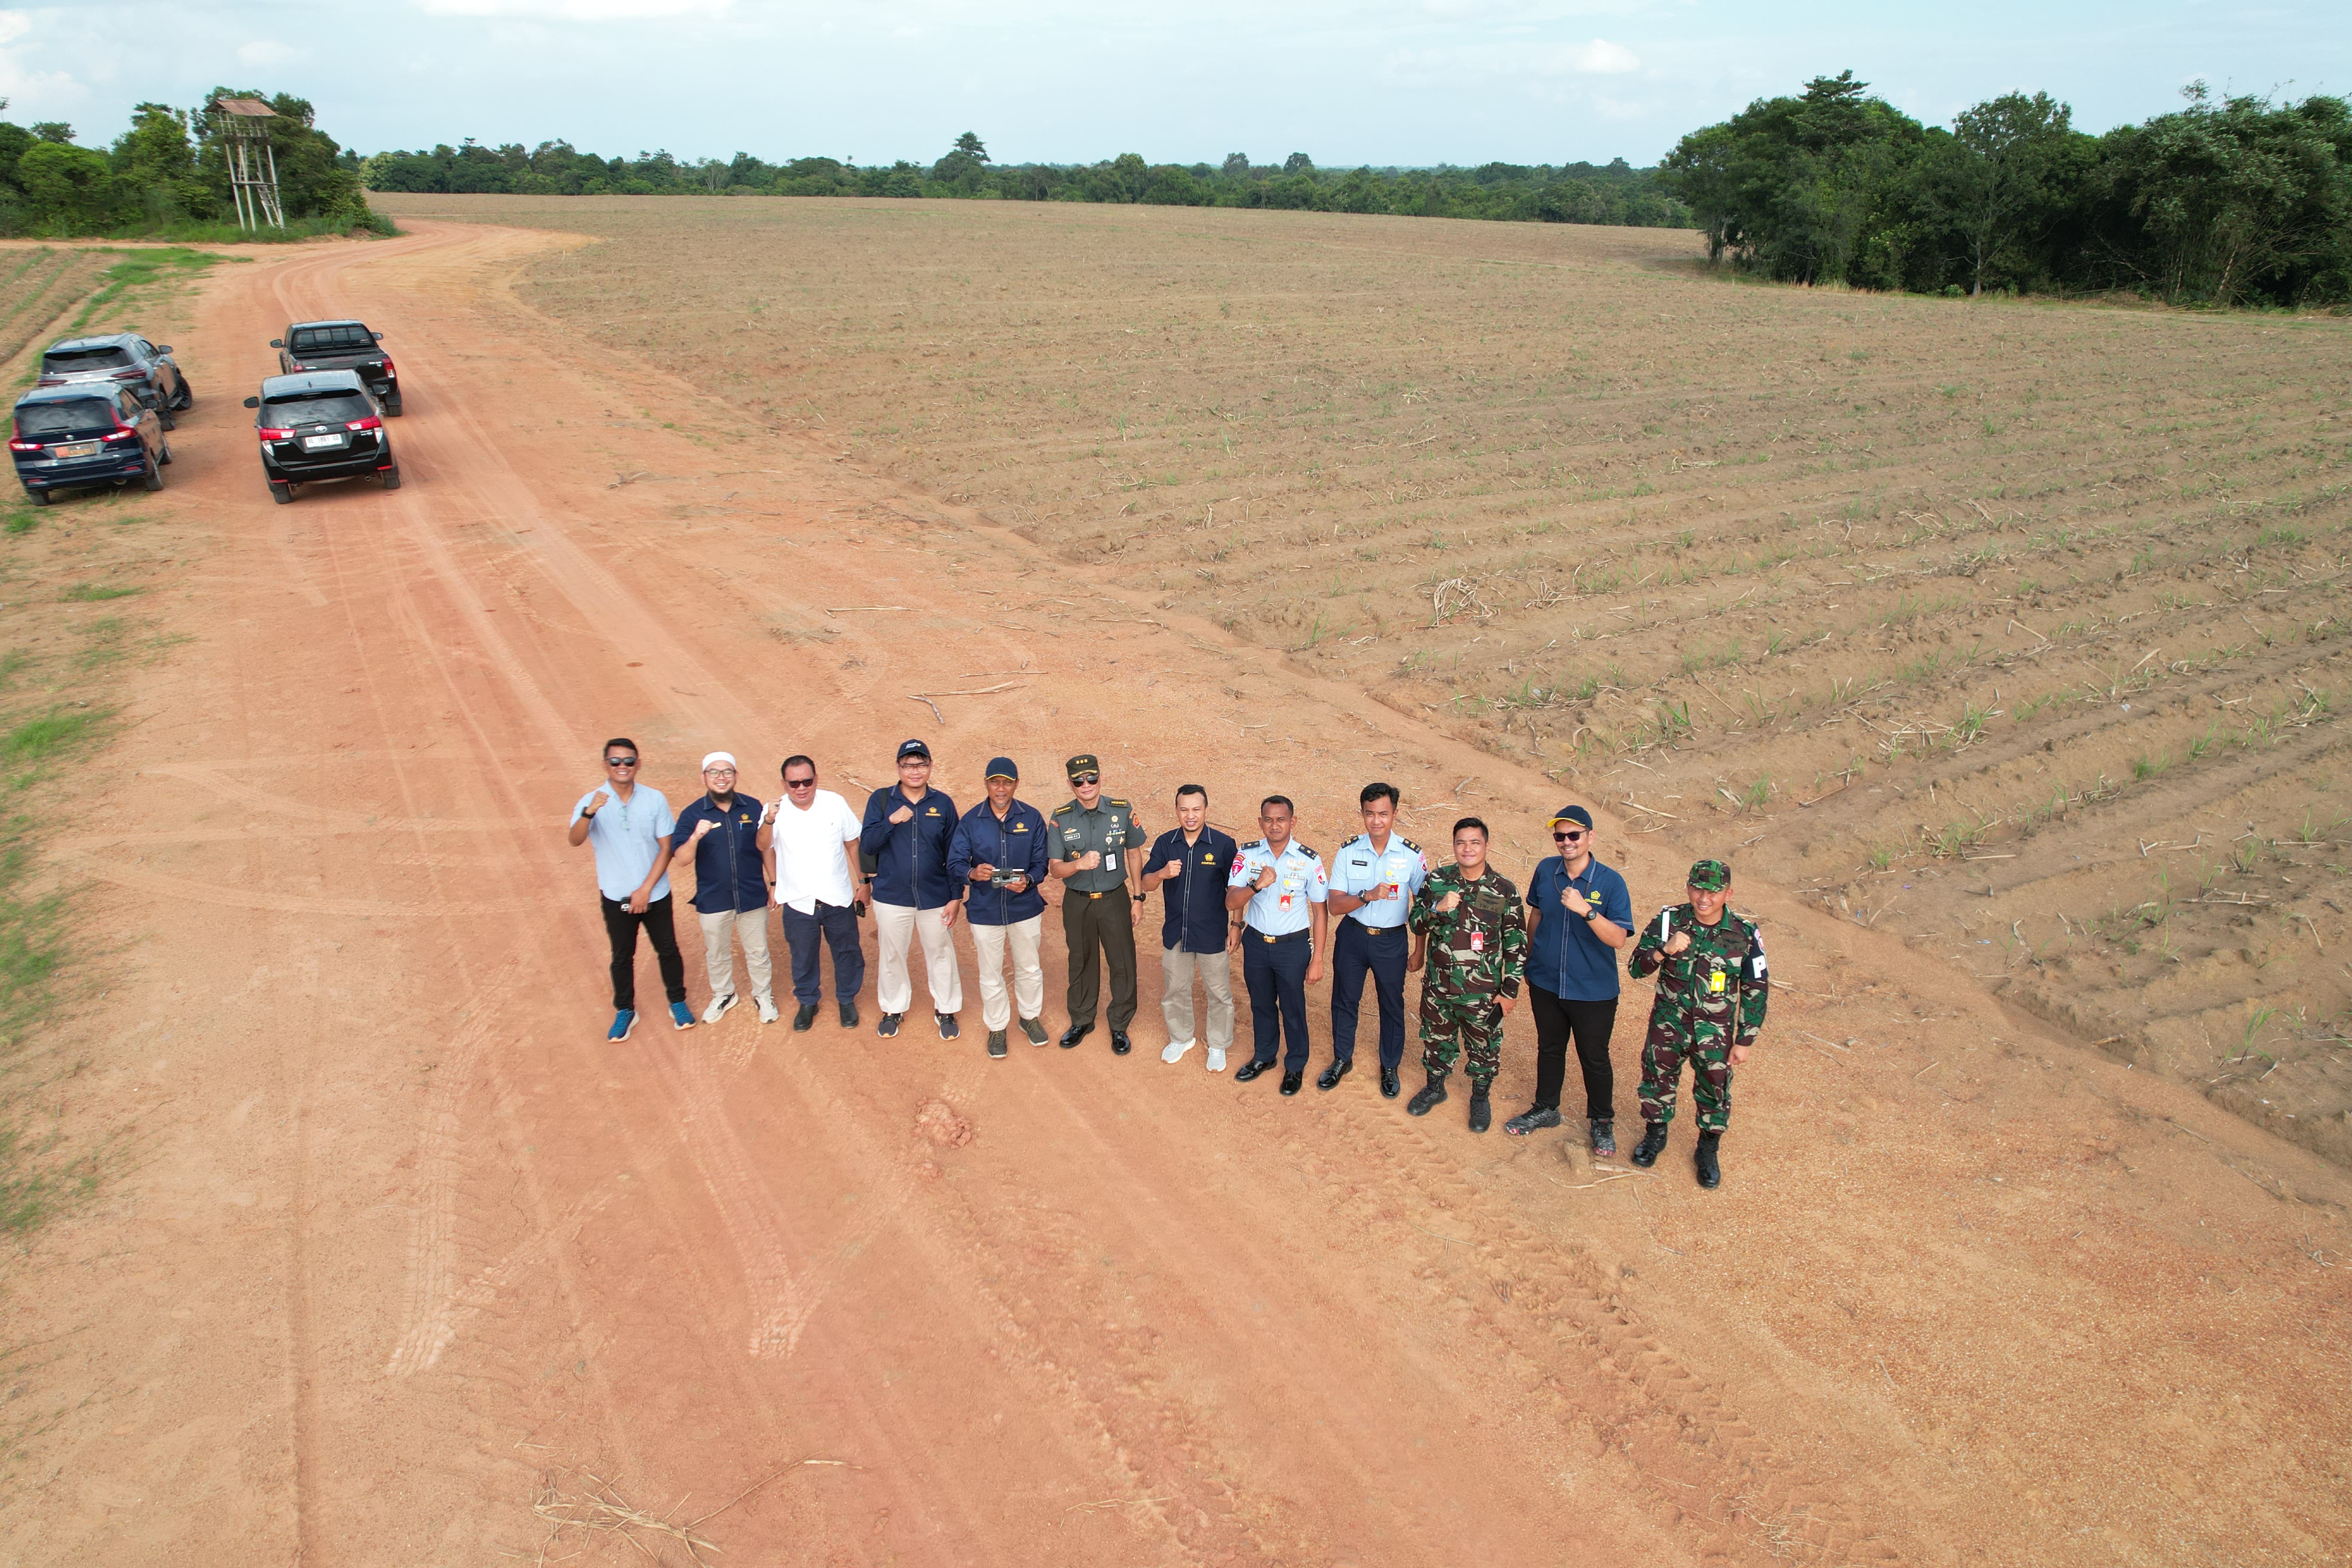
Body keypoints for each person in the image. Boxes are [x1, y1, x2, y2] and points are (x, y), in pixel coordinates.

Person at [1625, 859, 1770, 1189]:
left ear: (1728, 893)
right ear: (1688, 887)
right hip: (1668, 1026)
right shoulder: (1668, 922)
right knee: (1657, 1082)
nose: (1704, 897)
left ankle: (1707, 1150)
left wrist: (1746, 1039)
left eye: (1714, 891)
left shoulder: (1744, 934)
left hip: (1716, 1033)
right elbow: (1636, 968)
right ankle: (1655, 1136)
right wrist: (1665, 950)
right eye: (1697, 888)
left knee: (1715, 1091)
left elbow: (1756, 988)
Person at [1505, 805, 1634, 1155]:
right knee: (1550, 1049)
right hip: (1547, 981)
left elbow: (1619, 938)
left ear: (1590, 837)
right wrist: (1529, 960)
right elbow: (1537, 913)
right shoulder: (1547, 870)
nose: (1566, 842)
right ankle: (1546, 1109)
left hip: (1592, 990)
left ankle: (1602, 1122)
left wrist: (1587, 911)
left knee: (1594, 1057)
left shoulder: (1610, 882)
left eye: (1574, 835)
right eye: (1560, 836)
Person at [1405, 817, 1527, 1133]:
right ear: (1454, 845)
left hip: (1483, 992)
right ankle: (1435, 1087)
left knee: (1484, 1046)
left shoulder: (1504, 891)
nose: (1467, 848)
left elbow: (1516, 945)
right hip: (1439, 987)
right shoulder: (1437, 881)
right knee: (1436, 1039)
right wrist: (1438, 909)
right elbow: (1416, 924)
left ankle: (1480, 1097)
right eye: (1461, 842)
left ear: (1486, 846)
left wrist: (1510, 991)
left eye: (1475, 842)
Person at [568, 738, 693, 1038]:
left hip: (656, 893)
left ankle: (678, 1002)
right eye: (615, 762)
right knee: (622, 956)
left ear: (638, 764)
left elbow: (667, 847)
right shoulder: (592, 800)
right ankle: (625, 1010)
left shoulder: (654, 799)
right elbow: (574, 840)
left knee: (668, 950)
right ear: (605, 765)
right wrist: (589, 812)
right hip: (615, 895)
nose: (622, 767)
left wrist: (646, 889)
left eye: (628, 761)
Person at [1323, 782, 1428, 1097]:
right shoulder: (1348, 851)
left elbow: (1423, 906)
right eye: (1370, 814)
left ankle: (1390, 1066)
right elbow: (1333, 906)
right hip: (1353, 937)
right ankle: (1343, 1058)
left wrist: (1419, 950)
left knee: (1392, 1004)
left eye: (1383, 814)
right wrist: (1366, 896)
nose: (1376, 821)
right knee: (1344, 1000)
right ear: (1363, 814)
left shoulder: (1412, 855)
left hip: (1392, 941)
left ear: (1395, 814)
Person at [859, 739, 964, 1038]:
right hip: (892, 896)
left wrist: (956, 896)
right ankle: (893, 1008)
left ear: (930, 767)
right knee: (892, 954)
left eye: (921, 765)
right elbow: (867, 844)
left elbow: (954, 853)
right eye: (908, 765)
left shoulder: (942, 804)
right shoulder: (881, 800)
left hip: (935, 897)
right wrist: (891, 821)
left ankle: (946, 1009)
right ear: (898, 768)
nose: (915, 771)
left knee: (941, 952)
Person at [947, 757, 1051, 1059]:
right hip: (985, 909)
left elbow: (1040, 864)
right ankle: (997, 1026)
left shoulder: (1031, 818)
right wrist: (972, 873)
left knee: (1030, 967)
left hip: (1025, 907)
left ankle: (1030, 1018)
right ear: (986, 784)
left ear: (1016, 784)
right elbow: (955, 863)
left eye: (1007, 782)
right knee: (990, 972)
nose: (1001, 788)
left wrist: (1029, 881)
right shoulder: (970, 821)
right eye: (995, 782)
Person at [663, 752, 776, 1024]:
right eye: (714, 772)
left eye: (727, 772)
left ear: (736, 776)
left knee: (758, 950)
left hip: (751, 893)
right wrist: (695, 837)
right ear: (704, 778)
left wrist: (774, 883)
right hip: (713, 897)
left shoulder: (752, 807)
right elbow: (681, 859)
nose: (721, 777)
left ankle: (763, 995)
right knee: (717, 952)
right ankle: (725, 994)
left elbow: (765, 847)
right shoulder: (692, 815)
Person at [1225, 796, 1328, 1094]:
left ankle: (1295, 1065)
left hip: (1293, 947)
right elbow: (1231, 901)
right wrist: (1256, 885)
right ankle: (1265, 1056)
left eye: (1281, 819)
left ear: (1293, 822)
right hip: (1256, 942)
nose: (1275, 825)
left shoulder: (1309, 860)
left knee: (1293, 1008)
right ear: (1260, 823)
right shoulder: (1247, 856)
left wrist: (1318, 958)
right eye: (1268, 820)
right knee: (1261, 1003)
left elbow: (1321, 913)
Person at [1047, 754, 1148, 1054]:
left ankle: (1120, 1023)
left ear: (1100, 778)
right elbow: (1054, 869)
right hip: (1077, 902)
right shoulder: (1060, 818)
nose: (1086, 785)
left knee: (1122, 961)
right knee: (1081, 959)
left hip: (1114, 898)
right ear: (1070, 784)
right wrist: (1077, 864)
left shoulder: (1122, 810)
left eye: (1091, 778)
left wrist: (1138, 897)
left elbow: (1133, 854)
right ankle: (1082, 1019)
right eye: (1078, 781)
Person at [758, 755, 865, 1033]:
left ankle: (846, 999)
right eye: (794, 783)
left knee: (847, 950)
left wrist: (864, 882)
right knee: (802, 954)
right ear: (785, 784)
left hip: (837, 896)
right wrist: (774, 884)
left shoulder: (835, 803)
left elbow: (853, 843)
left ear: (816, 779)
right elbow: (764, 847)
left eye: (807, 781)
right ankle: (808, 1001)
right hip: (797, 898)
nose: (801, 788)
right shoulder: (774, 812)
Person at [1140, 784, 1240, 1072]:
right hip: (1176, 933)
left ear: (1206, 810)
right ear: (1177, 812)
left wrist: (1236, 925)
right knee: (1175, 990)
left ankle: (1218, 1044)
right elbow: (1147, 883)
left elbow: (1236, 888)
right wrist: (1162, 873)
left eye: (1196, 809)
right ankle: (1181, 1038)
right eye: (1184, 810)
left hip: (1212, 933)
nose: (1191, 816)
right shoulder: (1165, 844)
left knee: (1219, 993)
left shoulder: (1223, 845)